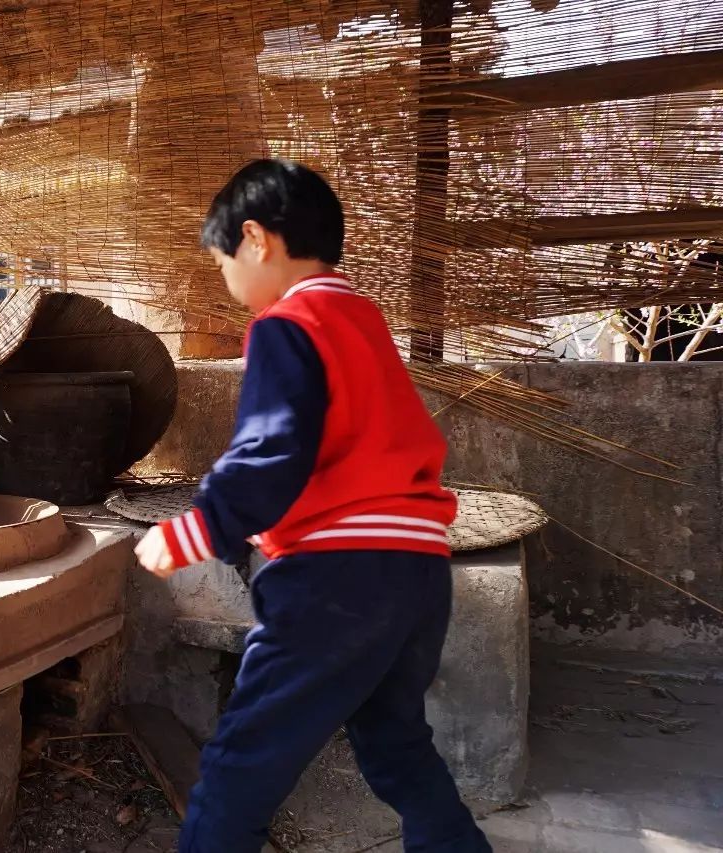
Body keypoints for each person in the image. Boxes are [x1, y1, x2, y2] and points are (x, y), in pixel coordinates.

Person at [135, 159, 490, 853]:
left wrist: (197, 526)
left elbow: (273, 447)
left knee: (243, 762)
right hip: (418, 568)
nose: (227, 281)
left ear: (256, 239)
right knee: (396, 745)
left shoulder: (286, 323)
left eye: (222, 260)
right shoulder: (360, 318)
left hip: (336, 577)